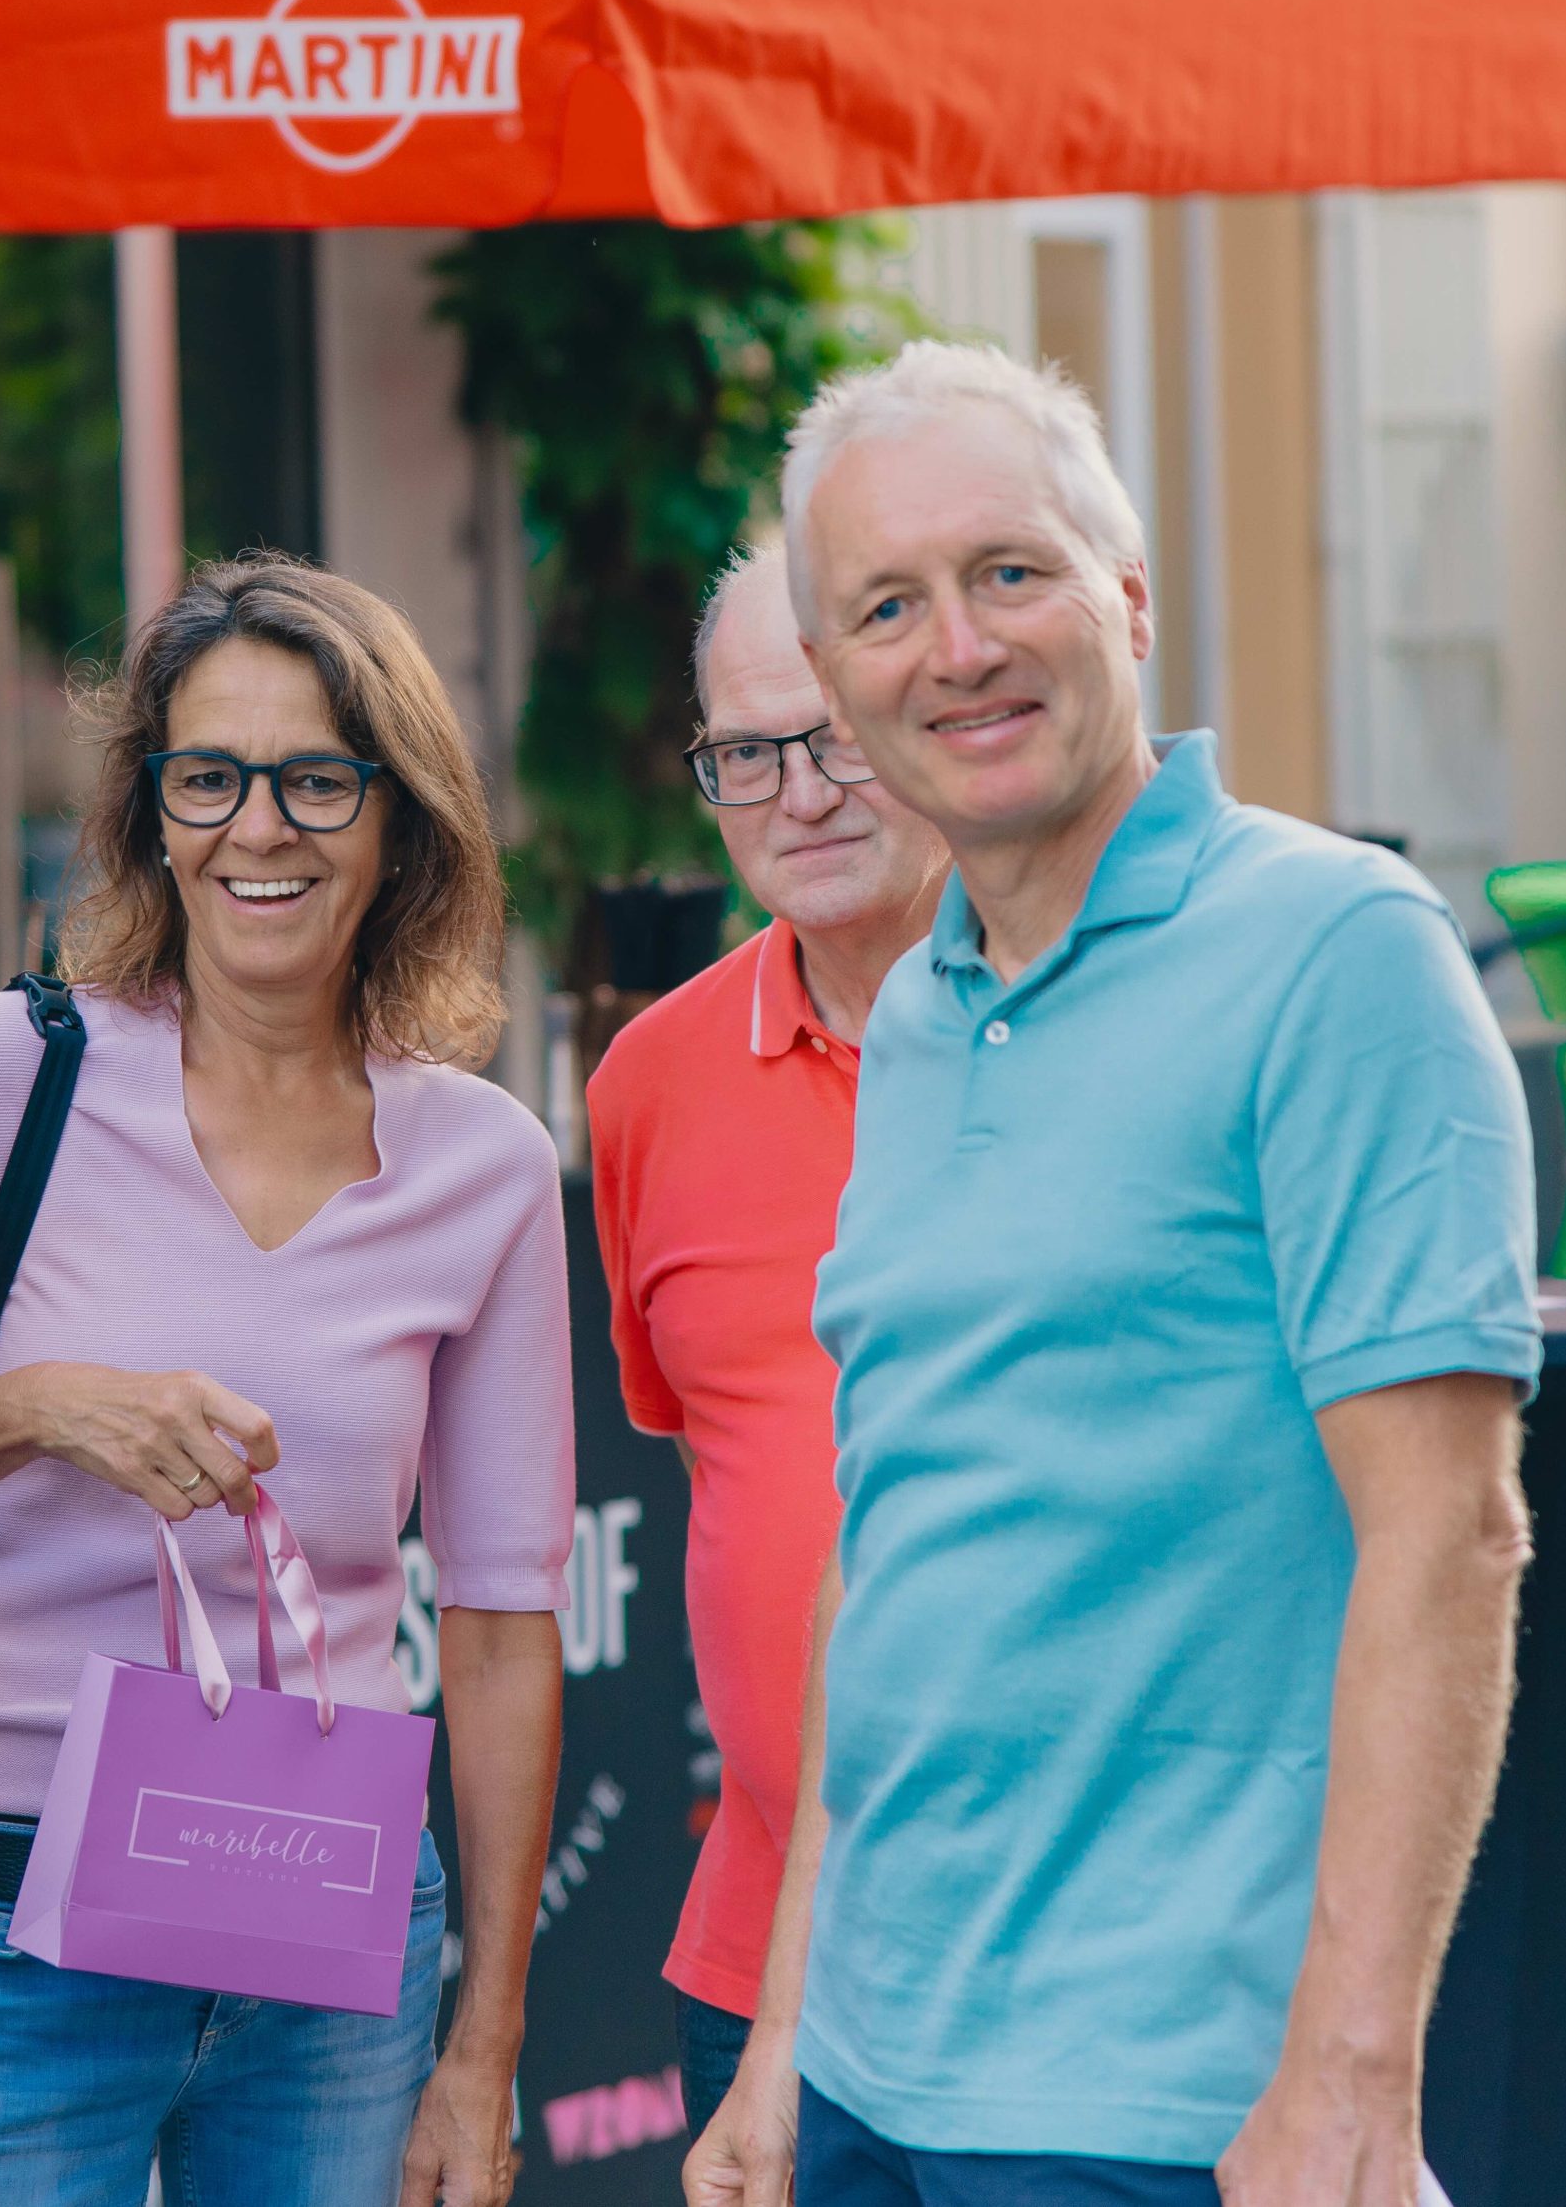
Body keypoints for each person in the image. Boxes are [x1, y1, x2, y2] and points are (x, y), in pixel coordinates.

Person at [687, 343, 1537, 2207]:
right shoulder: (920, 1009)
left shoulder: (1339, 949)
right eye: (886, 608)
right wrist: (782, 2031)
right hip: (871, 2068)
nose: (957, 647)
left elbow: (1452, 1534)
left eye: (1011, 572)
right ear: (831, 684)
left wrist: (1349, 2077)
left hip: (1166, 2098)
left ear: (1127, 598)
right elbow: (883, 1534)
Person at [0, 555, 573, 2207]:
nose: (258, 828)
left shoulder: (486, 1164)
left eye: (316, 779)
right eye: (208, 777)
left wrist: (483, 2047)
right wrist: (36, 1408)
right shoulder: (10, 1076)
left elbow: (506, 1623)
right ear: (151, 811)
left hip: (329, 1944)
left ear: (399, 817)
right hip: (0, 1935)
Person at [587, 534, 946, 2127]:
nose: (797, 795)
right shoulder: (648, 1087)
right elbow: (712, 1455)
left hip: (1080, 1956)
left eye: (835, 739)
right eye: (746, 754)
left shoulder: (1092, 1031)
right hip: (762, 1975)